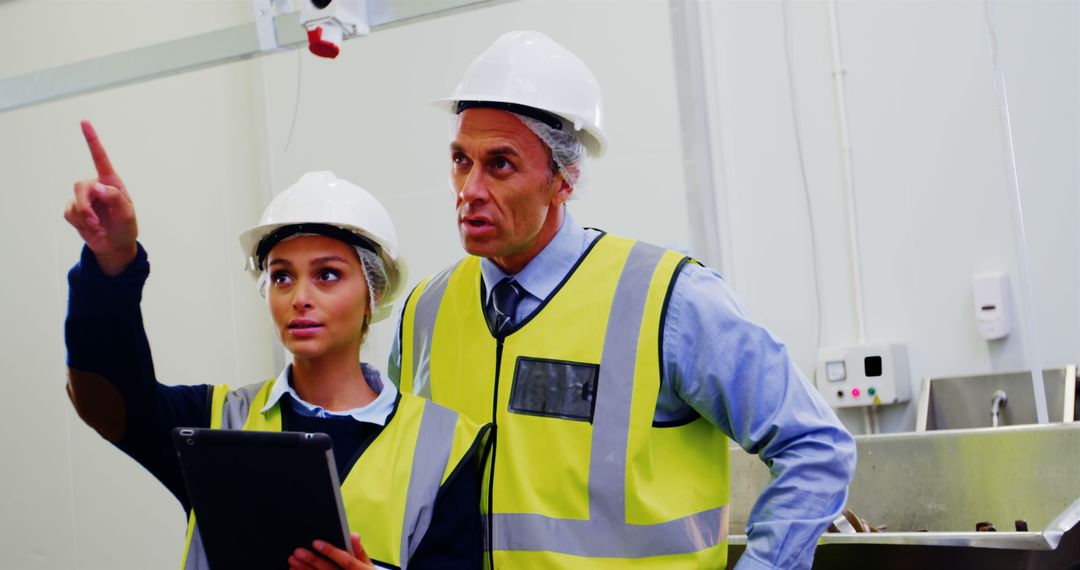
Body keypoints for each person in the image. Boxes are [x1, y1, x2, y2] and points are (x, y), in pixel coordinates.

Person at [390, 31, 857, 569]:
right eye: (459, 160)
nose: (469, 189)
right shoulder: (425, 312)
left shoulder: (669, 300)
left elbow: (816, 448)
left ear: (563, 179)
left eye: (500, 164)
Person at [63, 121, 489, 570]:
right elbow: (104, 398)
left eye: (327, 274)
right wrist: (112, 263)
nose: (300, 297)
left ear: (373, 292)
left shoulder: (445, 445)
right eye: (282, 275)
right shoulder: (212, 424)